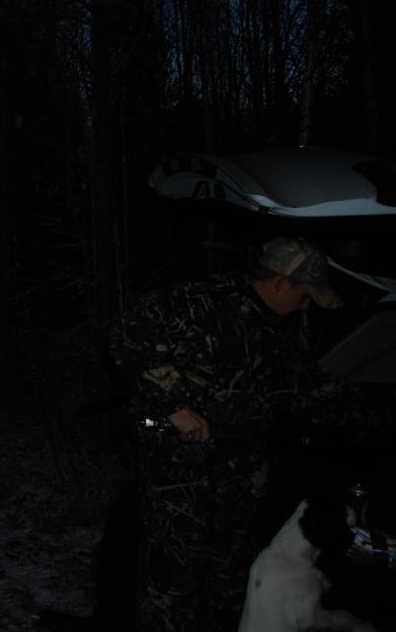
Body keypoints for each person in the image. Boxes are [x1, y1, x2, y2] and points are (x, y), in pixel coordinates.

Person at [109, 237, 355, 632]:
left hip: (239, 482)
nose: (305, 306)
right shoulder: (205, 300)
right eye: (304, 296)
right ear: (281, 282)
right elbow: (129, 332)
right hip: (182, 478)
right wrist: (174, 406)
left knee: (231, 582)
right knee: (173, 587)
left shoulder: (276, 330)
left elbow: (309, 390)